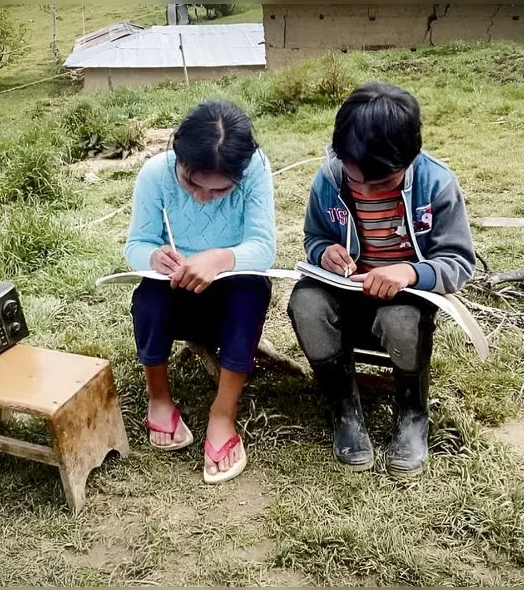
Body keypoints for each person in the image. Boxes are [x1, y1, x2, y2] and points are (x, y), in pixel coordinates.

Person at [287, 82, 476, 478]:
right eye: (356, 181)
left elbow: (458, 261)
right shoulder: (330, 178)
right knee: (305, 304)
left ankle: (412, 413)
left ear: (410, 157)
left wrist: (409, 271)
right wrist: (324, 252)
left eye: (381, 184)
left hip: (404, 297)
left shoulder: (437, 185)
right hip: (347, 289)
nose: (364, 190)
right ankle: (344, 408)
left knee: (401, 320)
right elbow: (314, 236)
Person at [125, 100, 276, 485]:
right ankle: (158, 397)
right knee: (148, 297)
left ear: (238, 176)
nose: (203, 196)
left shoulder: (255, 169)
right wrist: (153, 256)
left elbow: (263, 247)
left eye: (220, 190)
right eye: (192, 183)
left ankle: (222, 413)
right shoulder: (155, 175)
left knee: (251, 290)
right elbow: (136, 245)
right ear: (177, 154)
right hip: (177, 295)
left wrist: (221, 259)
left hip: (229, 298)